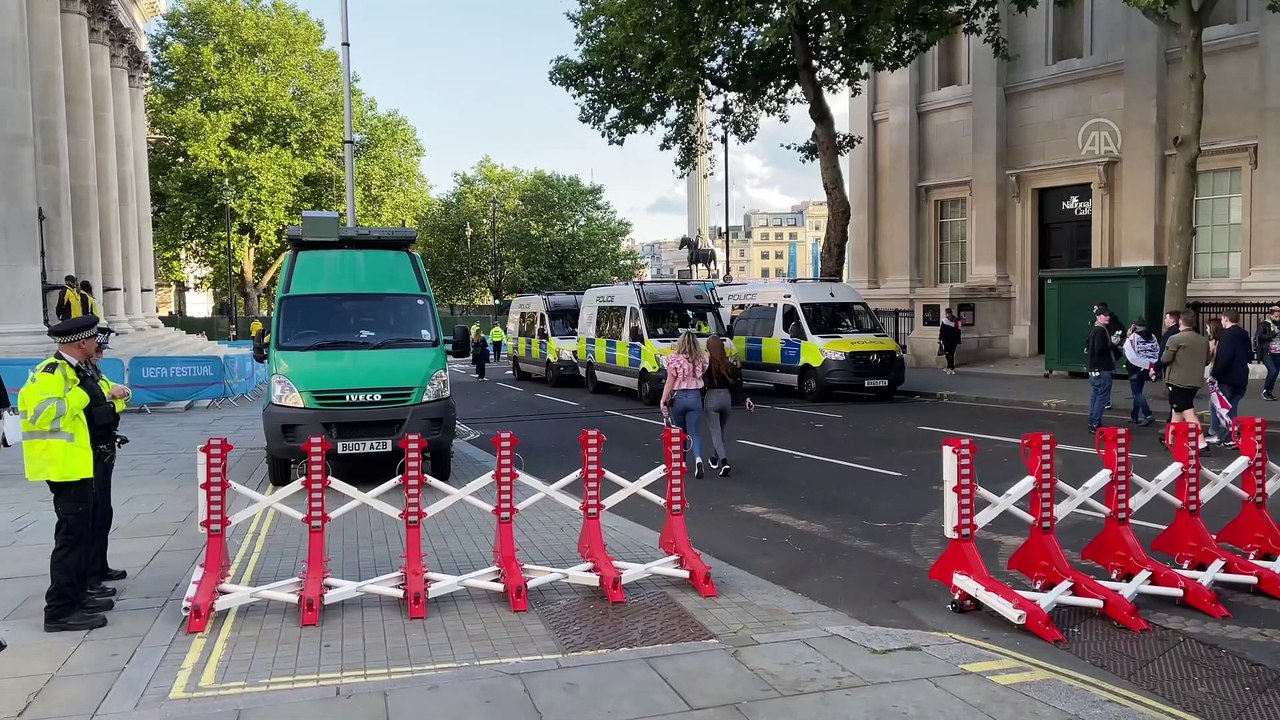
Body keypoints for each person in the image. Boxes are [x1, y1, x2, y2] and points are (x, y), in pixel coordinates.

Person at [19, 316, 120, 632]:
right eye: (93, 341)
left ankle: (78, 597)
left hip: (80, 463)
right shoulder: (50, 373)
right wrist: (81, 396)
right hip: (62, 466)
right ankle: (60, 610)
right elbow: (43, 415)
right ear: (82, 343)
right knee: (71, 539)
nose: (97, 346)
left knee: (83, 534)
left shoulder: (76, 370)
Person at [85, 328, 131, 591]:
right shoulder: (78, 374)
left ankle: (100, 566)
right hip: (89, 450)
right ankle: (90, 575)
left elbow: (120, 396)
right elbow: (91, 405)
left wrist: (118, 396)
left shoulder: (94, 372)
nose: (100, 355)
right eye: (98, 350)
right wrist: (110, 397)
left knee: (104, 512)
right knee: (93, 513)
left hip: (104, 445)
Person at [1159, 310, 1212, 454]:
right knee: (1177, 411)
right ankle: (1170, 440)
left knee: (1188, 413)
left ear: (1180, 322)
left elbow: (1165, 358)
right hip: (1194, 381)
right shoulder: (1203, 340)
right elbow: (1207, 361)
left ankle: (1201, 444)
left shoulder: (1175, 339)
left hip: (1177, 381)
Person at [659, 331, 709, 479]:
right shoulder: (701, 358)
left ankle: (682, 463)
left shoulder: (674, 359)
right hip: (695, 397)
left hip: (679, 398)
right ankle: (698, 460)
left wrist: (663, 400)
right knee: (694, 432)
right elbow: (703, 372)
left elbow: (670, 382)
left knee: (680, 433)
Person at [703, 336, 753, 477]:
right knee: (721, 431)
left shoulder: (707, 366)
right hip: (726, 398)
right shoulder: (729, 365)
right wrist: (746, 398)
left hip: (711, 397)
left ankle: (724, 462)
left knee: (715, 432)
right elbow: (737, 385)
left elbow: (701, 384)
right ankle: (714, 458)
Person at [1209, 310, 1251, 448]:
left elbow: (1224, 358)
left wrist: (1215, 375)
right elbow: (1249, 355)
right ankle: (1232, 437)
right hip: (1241, 376)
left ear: (1226, 319)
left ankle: (1228, 436)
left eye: (1222, 319)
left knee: (1223, 409)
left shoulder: (1226, 336)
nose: (1221, 321)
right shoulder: (1244, 334)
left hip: (1227, 378)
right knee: (1233, 408)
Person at [1085, 306, 1120, 433]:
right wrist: (1113, 345)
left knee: (1096, 395)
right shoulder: (1100, 331)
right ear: (1098, 316)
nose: (1107, 317)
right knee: (1102, 397)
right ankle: (1096, 422)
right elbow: (1100, 349)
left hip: (1094, 368)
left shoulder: (1093, 330)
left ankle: (1092, 421)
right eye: (1104, 315)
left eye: (1108, 315)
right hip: (1102, 368)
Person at [1123, 318, 1159, 427]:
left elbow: (1129, 353)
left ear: (1134, 327)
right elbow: (1157, 350)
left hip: (1135, 368)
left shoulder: (1133, 337)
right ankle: (1134, 416)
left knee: (1137, 393)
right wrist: (1150, 365)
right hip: (1148, 367)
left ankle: (1147, 414)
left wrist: (1128, 337)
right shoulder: (1152, 337)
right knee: (1138, 392)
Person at [1258, 303, 1280, 401]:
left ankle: (1269, 391)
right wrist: (1273, 333)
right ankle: (1265, 391)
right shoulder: (1265, 324)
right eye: (1276, 316)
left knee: (1275, 372)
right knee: (1273, 370)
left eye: (1279, 316)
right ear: (1271, 315)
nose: (1278, 319)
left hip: (1278, 352)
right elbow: (1260, 336)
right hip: (1268, 353)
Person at [939, 308, 962, 375]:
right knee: (952, 354)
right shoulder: (957, 321)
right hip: (954, 340)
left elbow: (942, 331)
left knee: (948, 354)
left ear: (946, 313)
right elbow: (959, 332)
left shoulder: (945, 321)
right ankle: (950, 368)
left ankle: (950, 368)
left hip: (946, 340)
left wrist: (939, 339)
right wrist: (958, 340)